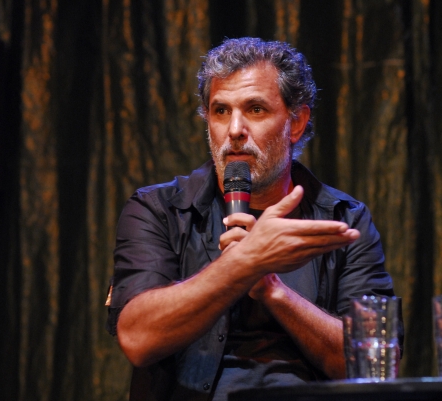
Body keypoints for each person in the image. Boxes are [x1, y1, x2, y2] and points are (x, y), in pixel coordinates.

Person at [105, 37, 399, 401]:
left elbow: (373, 366)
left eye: (255, 109)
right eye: (220, 111)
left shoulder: (343, 219)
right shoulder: (159, 210)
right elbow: (137, 339)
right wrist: (241, 265)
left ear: (296, 122)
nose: (234, 130)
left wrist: (273, 290)